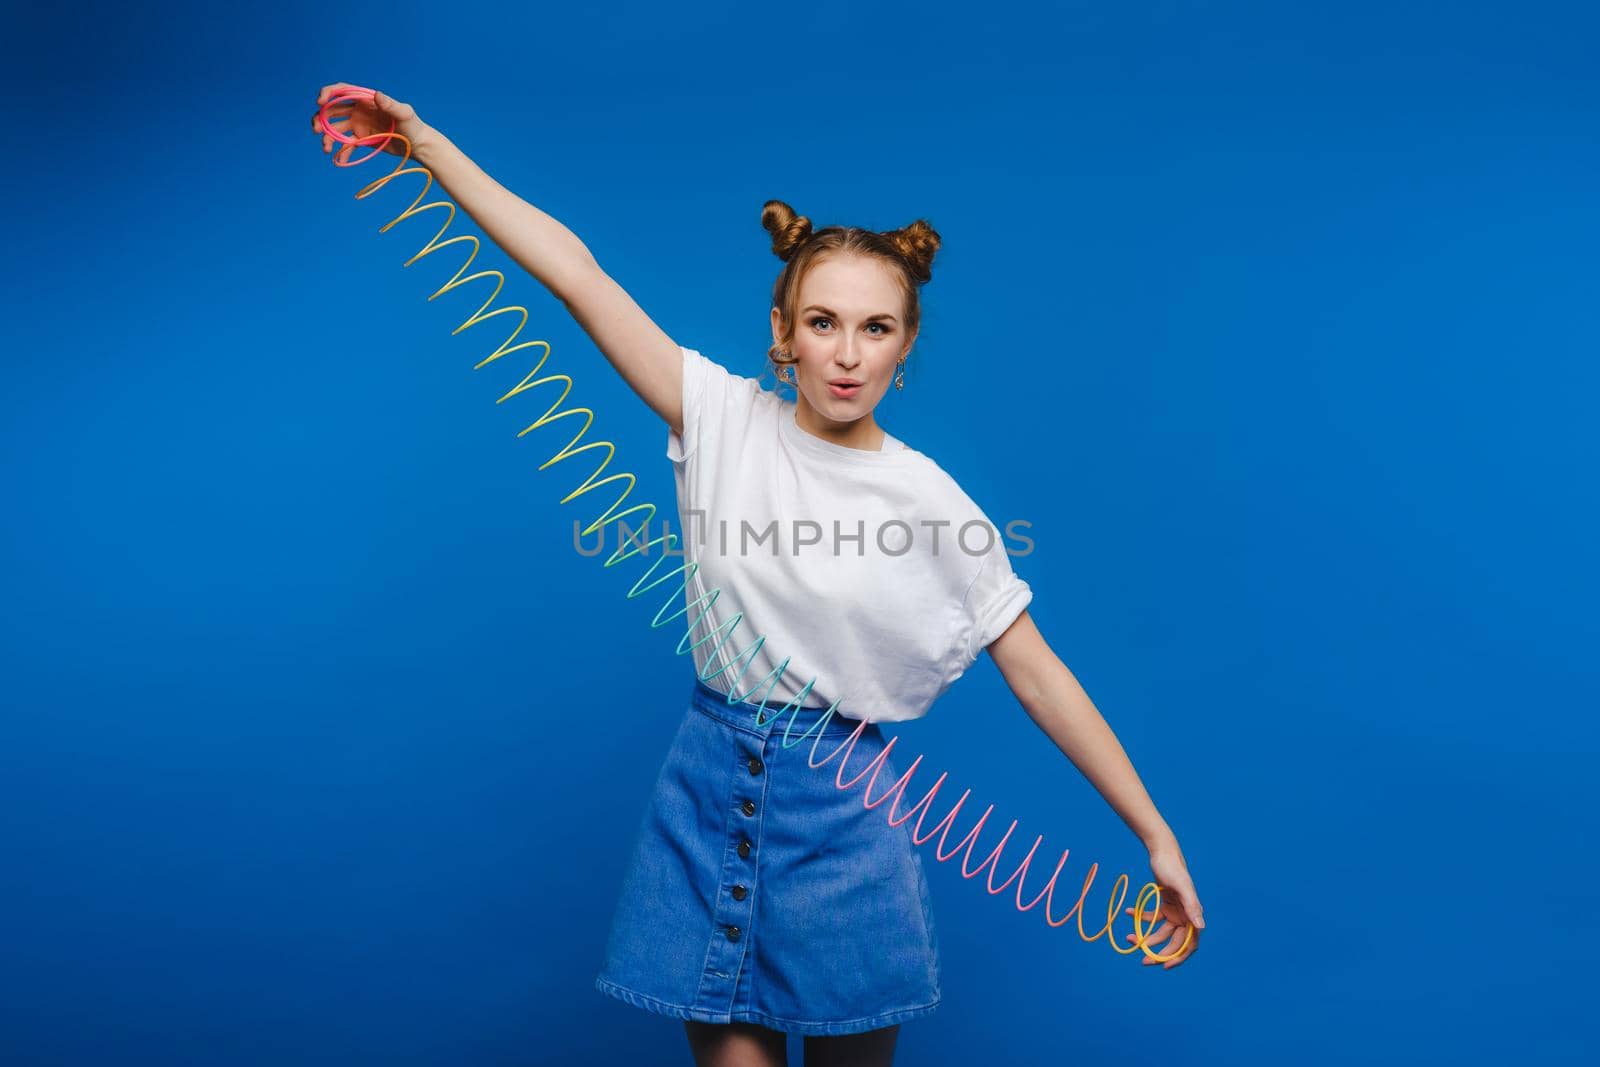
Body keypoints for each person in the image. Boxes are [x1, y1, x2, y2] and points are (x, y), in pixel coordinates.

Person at [311, 84, 1206, 1067]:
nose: (847, 353)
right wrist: (426, 144)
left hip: (846, 818)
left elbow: (1036, 668)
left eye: (875, 329)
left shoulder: (931, 500)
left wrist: (1152, 832)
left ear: (906, 349)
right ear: (782, 333)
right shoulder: (720, 416)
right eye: (822, 322)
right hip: (706, 790)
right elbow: (576, 272)